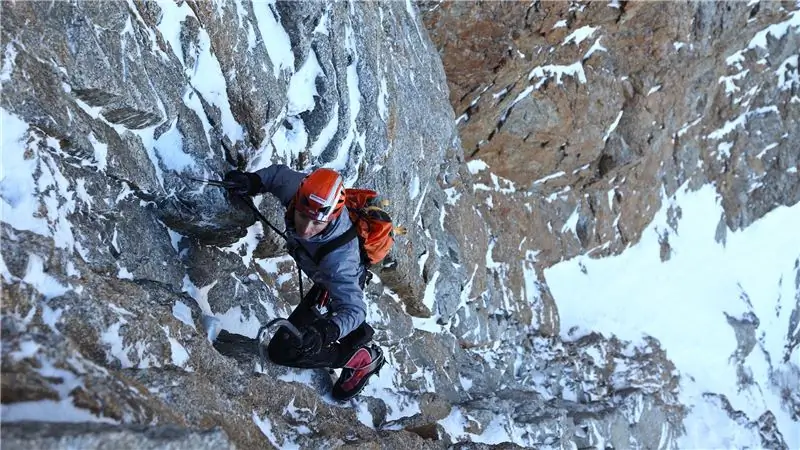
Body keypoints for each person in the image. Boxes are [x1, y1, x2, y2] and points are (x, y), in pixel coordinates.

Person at [219, 165, 385, 401]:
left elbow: (355, 310)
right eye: (303, 216)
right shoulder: (302, 193)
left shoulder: (340, 262)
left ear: (332, 217)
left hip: (333, 281)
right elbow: (277, 176)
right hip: (325, 273)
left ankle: (360, 358)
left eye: (317, 223)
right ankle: (354, 336)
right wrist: (253, 181)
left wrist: (324, 332)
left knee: (284, 351)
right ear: (298, 199)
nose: (306, 229)